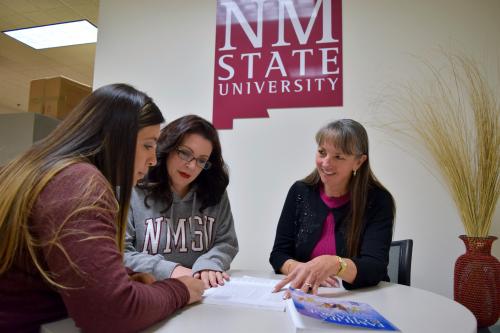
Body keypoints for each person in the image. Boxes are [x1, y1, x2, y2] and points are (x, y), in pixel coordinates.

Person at [0, 84, 205, 333]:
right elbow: (112, 312)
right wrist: (180, 290)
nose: (152, 160)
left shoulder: (35, 169)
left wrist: (124, 276)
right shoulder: (78, 182)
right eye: (148, 145)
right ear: (117, 138)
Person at [270, 119, 395, 294]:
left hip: (360, 299)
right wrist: (304, 271)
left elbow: (375, 267)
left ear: (358, 162)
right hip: (304, 295)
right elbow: (278, 255)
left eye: (338, 156)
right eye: (322, 152)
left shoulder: (378, 200)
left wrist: (335, 264)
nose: (326, 163)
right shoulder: (300, 191)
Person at [124, 115, 238, 289]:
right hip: (149, 293)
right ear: (167, 148)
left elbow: (227, 242)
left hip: (201, 292)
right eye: (185, 153)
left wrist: (208, 264)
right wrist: (171, 270)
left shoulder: (215, 193)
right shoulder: (134, 189)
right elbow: (120, 252)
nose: (191, 166)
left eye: (201, 161)